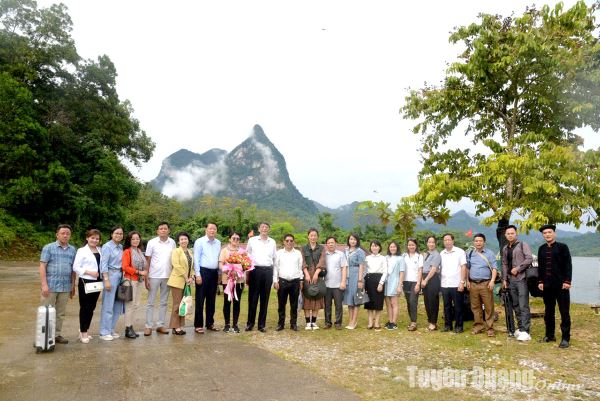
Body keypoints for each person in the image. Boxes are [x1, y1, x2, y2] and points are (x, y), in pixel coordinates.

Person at [39, 224, 77, 345]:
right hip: (50, 286)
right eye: (63, 233)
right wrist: (44, 284)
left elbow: (73, 269)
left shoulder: (73, 250)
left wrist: (72, 286)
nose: (65, 235)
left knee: (60, 313)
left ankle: (56, 335)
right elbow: (42, 266)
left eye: (68, 233)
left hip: (65, 286)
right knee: (46, 311)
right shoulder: (49, 248)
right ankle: (43, 337)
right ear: (57, 234)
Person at [537, 224, 572, 349]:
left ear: (554, 234)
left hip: (561, 285)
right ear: (543, 235)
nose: (547, 234)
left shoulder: (563, 247)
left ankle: (565, 338)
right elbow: (540, 267)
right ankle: (550, 335)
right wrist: (540, 281)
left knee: (564, 312)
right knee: (548, 312)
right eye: (545, 233)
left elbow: (568, 265)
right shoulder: (541, 249)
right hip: (547, 286)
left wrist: (567, 281)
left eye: (549, 232)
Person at [501, 225, 533, 341]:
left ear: (516, 234)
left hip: (522, 279)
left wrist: (518, 268)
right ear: (505, 235)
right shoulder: (505, 248)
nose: (510, 235)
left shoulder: (523, 245)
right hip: (510, 280)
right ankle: (520, 328)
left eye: (512, 233)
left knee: (523, 304)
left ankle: (526, 330)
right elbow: (504, 264)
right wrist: (504, 279)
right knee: (515, 305)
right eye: (508, 233)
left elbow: (529, 258)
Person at [144, 222, 176, 336]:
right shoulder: (152, 242)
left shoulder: (172, 242)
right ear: (157, 231)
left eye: (165, 228)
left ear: (169, 230)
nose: (163, 230)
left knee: (164, 302)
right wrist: (146, 277)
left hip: (167, 276)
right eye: (160, 228)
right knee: (150, 302)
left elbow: (174, 260)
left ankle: (160, 325)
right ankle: (148, 326)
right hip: (153, 276)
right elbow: (147, 260)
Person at [245, 222, 277, 332]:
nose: (264, 229)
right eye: (262, 227)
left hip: (268, 271)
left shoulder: (272, 242)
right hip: (255, 271)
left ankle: (261, 325)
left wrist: (274, 276)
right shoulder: (252, 240)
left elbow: (274, 258)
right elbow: (247, 254)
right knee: (253, 298)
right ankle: (250, 323)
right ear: (259, 229)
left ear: (269, 229)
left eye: (266, 227)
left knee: (265, 299)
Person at [72, 229, 102, 344]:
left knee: (92, 307)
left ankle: (84, 329)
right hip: (86, 281)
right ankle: (83, 332)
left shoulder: (100, 250)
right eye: (92, 238)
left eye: (97, 238)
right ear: (87, 238)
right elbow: (76, 267)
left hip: (97, 282)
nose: (95, 240)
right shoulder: (81, 251)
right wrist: (89, 272)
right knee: (85, 307)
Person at [466, 233, 497, 337]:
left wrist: (492, 281)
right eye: (476, 241)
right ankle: (478, 326)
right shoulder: (470, 253)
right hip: (473, 283)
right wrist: (467, 281)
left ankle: (490, 328)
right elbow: (467, 268)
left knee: (489, 306)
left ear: (484, 242)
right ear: (473, 242)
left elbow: (494, 268)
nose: (478, 243)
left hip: (486, 284)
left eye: (480, 241)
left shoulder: (489, 253)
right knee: (475, 307)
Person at [193, 222, 221, 333]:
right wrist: (198, 274)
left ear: (216, 231)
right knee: (200, 299)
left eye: (214, 229)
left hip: (214, 273)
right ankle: (198, 325)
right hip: (203, 272)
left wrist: (219, 274)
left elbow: (218, 259)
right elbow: (196, 259)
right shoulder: (199, 242)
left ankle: (210, 323)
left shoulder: (218, 242)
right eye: (210, 228)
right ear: (206, 229)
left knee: (211, 300)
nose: (212, 230)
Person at [99, 226, 125, 341]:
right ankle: (104, 332)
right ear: (111, 234)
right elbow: (103, 264)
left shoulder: (121, 247)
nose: (119, 235)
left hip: (120, 276)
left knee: (118, 305)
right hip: (110, 274)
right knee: (108, 305)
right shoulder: (107, 246)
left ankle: (111, 329)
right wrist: (106, 280)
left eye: (121, 233)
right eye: (116, 233)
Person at [273, 234, 303, 331]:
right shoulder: (279, 253)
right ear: (284, 242)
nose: (289, 242)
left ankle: (293, 324)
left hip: (295, 281)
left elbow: (300, 268)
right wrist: (275, 280)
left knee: (294, 304)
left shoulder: (298, 253)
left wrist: (301, 280)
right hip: (282, 281)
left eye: (291, 240)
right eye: (287, 240)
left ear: (293, 242)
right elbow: (275, 268)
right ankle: (281, 324)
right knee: (281, 304)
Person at [121, 231, 148, 339]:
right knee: (129, 306)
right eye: (133, 239)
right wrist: (139, 272)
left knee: (136, 305)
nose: (136, 240)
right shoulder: (127, 251)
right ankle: (128, 328)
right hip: (130, 280)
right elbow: (125, 267)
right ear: (129, 240)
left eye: (137, 238)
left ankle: (131, 327)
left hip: (139, 281)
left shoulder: (139, 251)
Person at [440, 233, 467, 333]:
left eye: (449, 240)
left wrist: (462, 282)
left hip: (456, 283)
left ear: (453, 241)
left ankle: (459, 326)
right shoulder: (442, 253)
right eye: (445, 240)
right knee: (446, 306)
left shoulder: (460, 252)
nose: (447, 242)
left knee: (458, 306)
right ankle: (448, 325)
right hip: (444, 283)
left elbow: (463, 267)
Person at [168, 232, 194, 335]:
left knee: (184, 304)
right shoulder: (176, 251)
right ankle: (175, 327)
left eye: (185, 239)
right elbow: (176, 265)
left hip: (186, 282)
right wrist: (186, 277)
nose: (184, 241)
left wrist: (191, 277)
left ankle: (180, 325)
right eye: (181, 239)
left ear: (188, 240)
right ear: (178, 241)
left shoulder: (190, 252)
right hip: (177, 281)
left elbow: (192, 266)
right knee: (177, 304)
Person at [220, 232, 246, 333]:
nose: (236, 240)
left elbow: (246, 265)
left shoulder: (243, 251)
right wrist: (229, 271)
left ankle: (235, 324)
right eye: (234, 238)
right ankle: (227, 324)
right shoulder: (224, 251)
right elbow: (221, 264)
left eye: (238, 238)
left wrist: (239, 271)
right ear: (229, 239)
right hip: (227, 279)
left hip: (239, 281)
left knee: (237, 302)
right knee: (227, 302)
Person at [301, 228, 326, 330]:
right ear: (308, 236)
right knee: (307, 297)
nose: (313, 237)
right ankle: (307, 322)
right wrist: (306, 274)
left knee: (317, 296)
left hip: (318, 275)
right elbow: (302, 262)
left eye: (315, 235)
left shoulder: (321, 248)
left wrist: (316, 273)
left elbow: (322, 260)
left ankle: (314, 322)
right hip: (306, 275)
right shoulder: (303, 248)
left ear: (317, 237)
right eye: (311, 235)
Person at [323, 237, 348, 330]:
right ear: (326, 244)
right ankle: (327, 322)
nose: (330, 244)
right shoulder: (324, 255)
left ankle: (338, 323)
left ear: (336, 243)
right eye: (329, 243)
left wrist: (343, 282)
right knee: (327, 305)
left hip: (338, 285)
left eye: (332, 242)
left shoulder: (341, 254)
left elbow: (344, 268)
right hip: (326, 284)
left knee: (338, 305)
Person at [343, 234, 367, 330]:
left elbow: (362, 265)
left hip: (356, 275)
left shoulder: (360, 251)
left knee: (356, 299)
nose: (352, 241)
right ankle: (350, 320)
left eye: (354, 239)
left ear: (357, 241)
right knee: (349, 299)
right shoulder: (345, 251)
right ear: (348, 240)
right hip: (347, 276)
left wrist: (360, 280)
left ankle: (354, 321)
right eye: (351, 239)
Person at [364, 240, 388, 330]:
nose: (374, 247)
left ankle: (377, 322)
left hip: (379, 280)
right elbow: (365, 271)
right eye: (373, 246)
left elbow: (385, 272)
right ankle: (370, 322)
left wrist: (381, 283)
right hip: (369, 280)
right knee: (369, 302)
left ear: (379, 247)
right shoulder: (367, 258)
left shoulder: (383, 258)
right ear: (370, 247)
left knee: (378, 302)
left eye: (376, 246)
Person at [421, 235, 442, 331]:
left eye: (433, 242)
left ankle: (433, 323)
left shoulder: (437, 255)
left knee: (433, 301)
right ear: (427, 243)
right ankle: (430, 321)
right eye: (429, 242)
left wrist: (425, 280)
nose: (431, 244)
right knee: (427, 300)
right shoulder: (425, 253)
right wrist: (422, 279)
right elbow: (421, 267)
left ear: (435, 243)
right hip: (424, 277)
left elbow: (433, 269)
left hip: (432, 279)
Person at [403, 238, 423, 331]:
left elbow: (420, 270)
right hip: (405, 282)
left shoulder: (419, 256)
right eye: (409, 245)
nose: (411, 246)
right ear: (407, 246)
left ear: (416, 246)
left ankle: (414, 322)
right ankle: (412, 321)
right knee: (408, 302)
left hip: (415, 282)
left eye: (413, 245)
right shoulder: (404, 256)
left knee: (412, 301)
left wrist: (418, 283)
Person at [384, 241, 404, 330]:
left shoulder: (400, 258)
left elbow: (402, 272)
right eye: (391, 247)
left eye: (394, 247)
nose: (392, 248)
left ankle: (394, 322)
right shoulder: (386, 257)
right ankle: (390, 320)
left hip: (395, 282)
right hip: (386, 282)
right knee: (388, 304)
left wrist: (399, 285)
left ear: (397, 248)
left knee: (394, 303)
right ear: (389, 248)